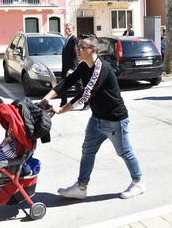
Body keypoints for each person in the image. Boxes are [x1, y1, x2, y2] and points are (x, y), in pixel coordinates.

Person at [38, 34, 144, 200]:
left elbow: (85, 94)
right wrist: (46, 98)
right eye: (77, 46)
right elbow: (66, 82)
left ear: (93, 50)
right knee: (87, 151)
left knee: (125, 152)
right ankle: (81, 187)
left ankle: (138, 182)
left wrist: (61, 110)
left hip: (115, 120)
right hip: (97, 119)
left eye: (82, 47)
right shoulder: (83, 66)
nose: (78, 50)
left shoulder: (101, 68)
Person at [60, 23, 88, 110]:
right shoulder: (67, 39)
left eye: (69, 29)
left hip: (72, 68)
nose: (67, 30)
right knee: (63, 85)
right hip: (65, 67)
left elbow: (75, 55)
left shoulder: (74, 39)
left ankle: (87, 103)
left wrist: (72, 69)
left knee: (79, 86)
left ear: (73, 30)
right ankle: (63, 103)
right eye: (66, 29)